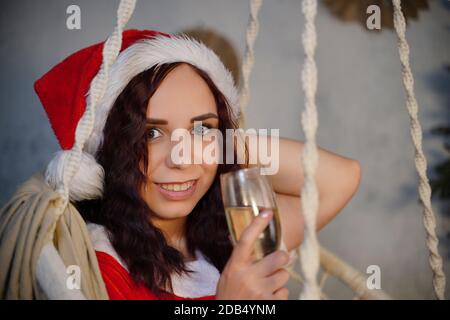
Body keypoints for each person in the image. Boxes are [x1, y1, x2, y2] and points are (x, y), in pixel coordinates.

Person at [34, 29, 361, 300]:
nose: (182, 157)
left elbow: (339, 179)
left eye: (203, 128)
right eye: (151, 133)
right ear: (111, 149)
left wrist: (222, 145)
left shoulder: (232, 236)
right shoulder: (100, 266)